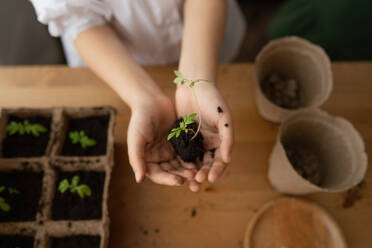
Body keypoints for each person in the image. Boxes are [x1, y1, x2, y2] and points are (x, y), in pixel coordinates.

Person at [30, 0, 246, 192]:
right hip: (116, 62)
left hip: (205, 40)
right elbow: (76, 18)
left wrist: (197, 80)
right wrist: (143, 99)